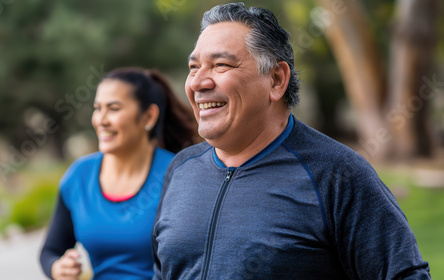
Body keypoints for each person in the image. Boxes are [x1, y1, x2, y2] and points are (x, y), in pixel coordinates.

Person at [152, 3, 430, 279]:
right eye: (193, 67)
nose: (198, 82)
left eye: (221, 65)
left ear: (276, 79)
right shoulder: (181, 168)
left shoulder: (338, 175)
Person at [40, 67, 197, 279]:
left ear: (148, 116)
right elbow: (51, 250)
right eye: (97, 108)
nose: (101, 120)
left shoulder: (179, 174)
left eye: (113, 109)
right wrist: (58, 268)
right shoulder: (79, 176)